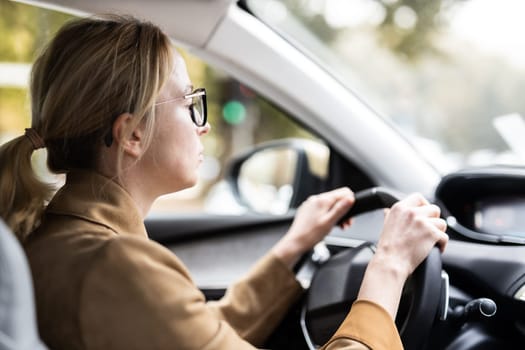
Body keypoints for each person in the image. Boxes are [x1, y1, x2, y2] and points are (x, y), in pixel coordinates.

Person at [0, 15, 448, 350]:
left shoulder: (54, 237)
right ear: (132, 133)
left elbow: (196, 333)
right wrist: (388, 267)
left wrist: (291, 248)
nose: (204, 127)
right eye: (191, 102)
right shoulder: (115, 264)